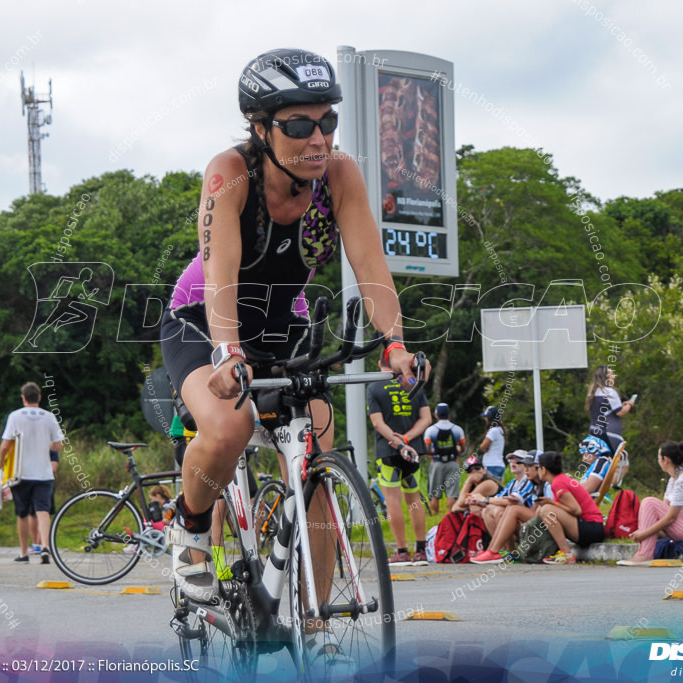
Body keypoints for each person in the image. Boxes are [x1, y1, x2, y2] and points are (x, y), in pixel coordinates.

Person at [158, 49, 428, 605]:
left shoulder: (341, 175)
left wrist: (395, 343)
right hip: (204, 318)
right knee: (228, 429)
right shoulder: (229, 174)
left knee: (317, 457)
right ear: (260, 129)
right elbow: (221, 276)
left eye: (327, 121)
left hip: (283, 321)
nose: (319, 139)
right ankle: (188, 531)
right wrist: (229, 352)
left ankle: (319, 618)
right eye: (300, 125)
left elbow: (371, 268)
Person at [617, 441, 683, 566]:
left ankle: (644, 555)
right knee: (650, 506)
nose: (658, 461)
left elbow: (670, 518)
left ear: (666, 459)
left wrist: (644, 533)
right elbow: (663, 509)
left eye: (658, 457)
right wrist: (649, 527)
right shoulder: (674, 479)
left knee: (649, 502)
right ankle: (642, 553)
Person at [368, 357, 432, 566]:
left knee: (392, 500)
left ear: (380, 363)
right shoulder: (414, 383)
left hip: (388, 451)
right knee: (414, 500)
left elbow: (378, 423)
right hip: (413, 450)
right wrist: (406, 439)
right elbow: (426, 419)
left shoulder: (375, 387)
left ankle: (403, 552)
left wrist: (396, 441)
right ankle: (421, 551)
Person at [0, 382, 63, 564]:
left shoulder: (15, 416)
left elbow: (6, 444)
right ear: (39, 398)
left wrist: (1, 461)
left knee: (22, 513)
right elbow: (58, 445)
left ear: (23, 398)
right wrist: (44, 443)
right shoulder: (49, 417)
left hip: (21, 473)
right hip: (44, 474)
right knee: (43, 511)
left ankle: (24, 553)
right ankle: (45, 547)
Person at [469, 451, 546, 564]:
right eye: (511, 460)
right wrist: (477, 499)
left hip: (538, 526)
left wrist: (484, 499)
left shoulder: (530, 482)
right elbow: (498, 500)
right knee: (489, 509)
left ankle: (501, 552)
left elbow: (510, 502)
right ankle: (502, 552)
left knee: (509, 509)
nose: (513, 462)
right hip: (531, 523)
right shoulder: (515, 483)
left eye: (519, 461)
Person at [535, 451, 606, 565]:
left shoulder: (558, 483)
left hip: (592, 528)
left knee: (546, 510)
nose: (537, 470)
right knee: (543, 510)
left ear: (544, 469)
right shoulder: (560, 479)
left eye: (538, 467)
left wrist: (552, 502)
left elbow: (576, 510)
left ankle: (566, 554)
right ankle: (557, 551)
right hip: (589, 526)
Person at [423, 403, 466, 515]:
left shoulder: (430, 430)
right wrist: (457, 451)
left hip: (436, 463)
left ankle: (435, 515)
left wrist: (432, 454)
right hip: (453, 463)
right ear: (449, 415)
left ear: (436, 415)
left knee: (434, 493)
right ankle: (451, 516)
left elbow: (426, 450)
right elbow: (463, 449)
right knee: (452, 493)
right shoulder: (457, 429)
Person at [586, 365, 633, 454]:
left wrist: (620, 405)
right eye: (611, 374)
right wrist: (629, 405)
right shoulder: (610, 392)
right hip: (608, 433)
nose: (614, 376)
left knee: (599, 461)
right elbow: (620, 412)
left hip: (593, 431)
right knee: (615, 462)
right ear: (605, 377)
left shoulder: (592, 392)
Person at [478, 406, 506, 479]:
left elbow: (482, 447)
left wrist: (485, 447)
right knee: (499, 489)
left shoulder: (493, 431)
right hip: (500, 464)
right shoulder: (500, 430)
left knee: (490, 489)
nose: (485, 419)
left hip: (491, 464)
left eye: (486, 417)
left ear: (489, 418)